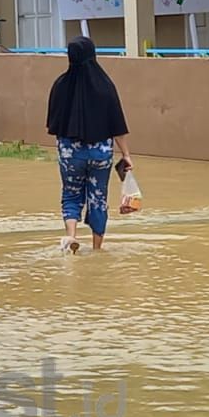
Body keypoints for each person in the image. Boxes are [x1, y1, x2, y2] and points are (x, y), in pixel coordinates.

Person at [46, 37, 132, 254]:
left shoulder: (60, 85)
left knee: (71, 194)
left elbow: (53, 123)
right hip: (100, 152)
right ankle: (96, 247)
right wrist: (126, 155)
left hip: (70, 151)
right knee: (98, 197)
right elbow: (117, 125)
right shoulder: (105, 86)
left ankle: (71, 237)